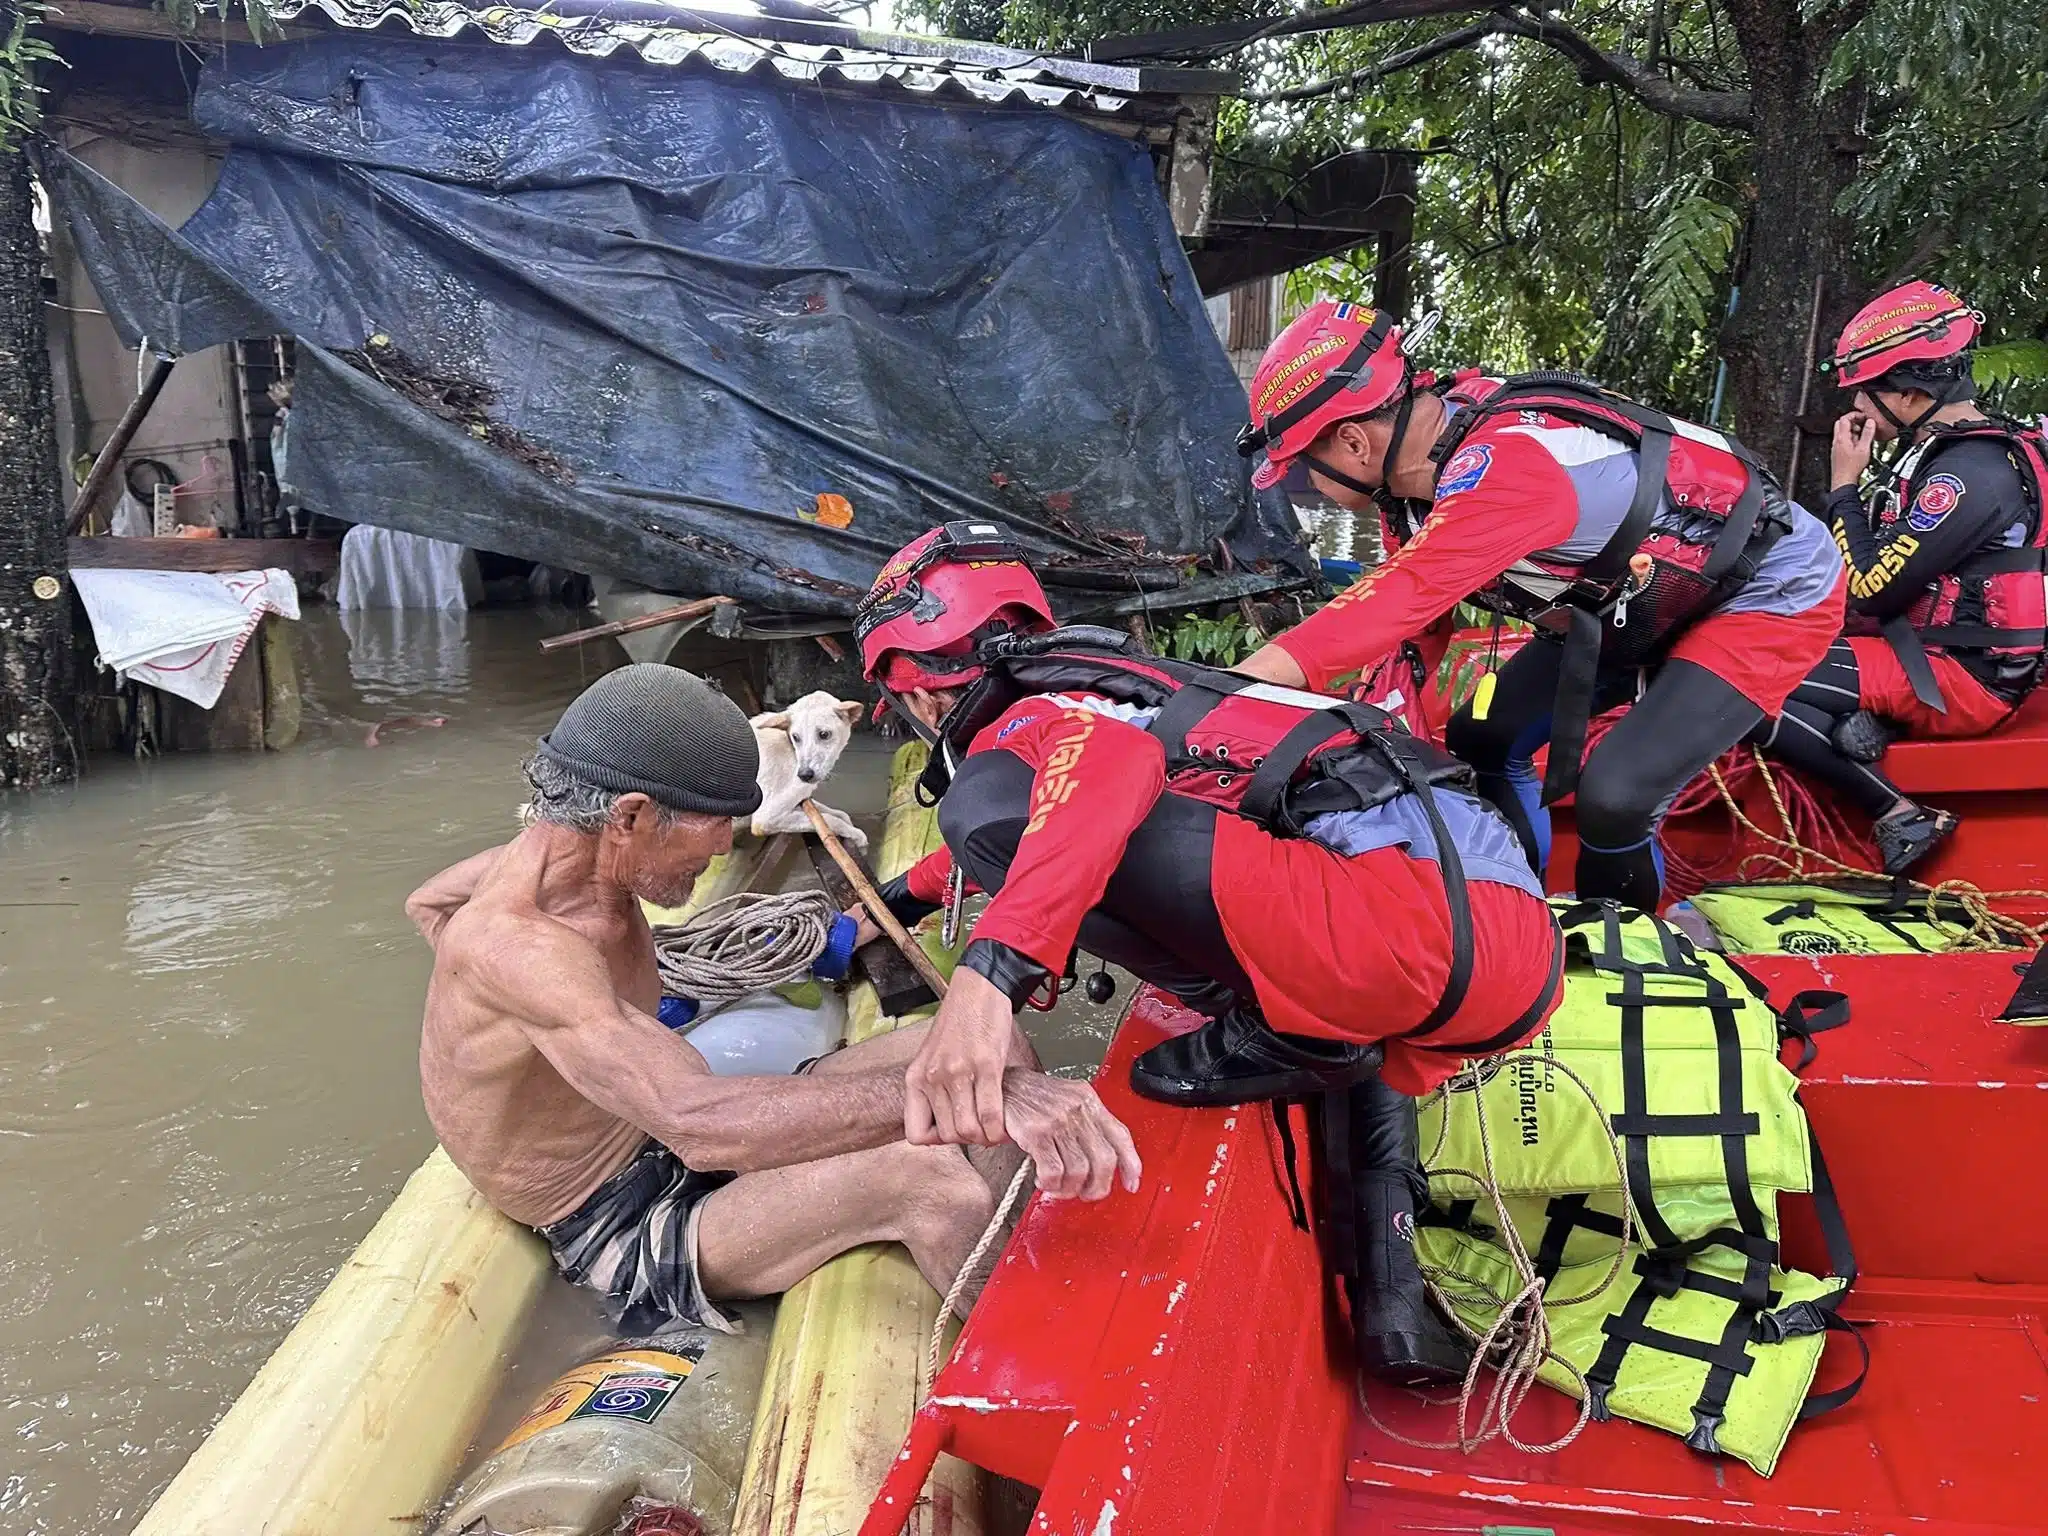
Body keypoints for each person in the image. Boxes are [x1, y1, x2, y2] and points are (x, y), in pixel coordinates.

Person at [853, 522, 1567, 1386]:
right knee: (1345, 1035)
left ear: (924, 697)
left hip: (1401, 932)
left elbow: (1079, 784)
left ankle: (1281, 1026)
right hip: (1509, 950)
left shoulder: (1039, 720)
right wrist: (899, 902)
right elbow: (1076, 788)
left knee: (982, 816)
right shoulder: (1119, 689)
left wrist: (987, 978)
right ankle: (1393, 1301)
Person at [407, 662, 1138, 1337]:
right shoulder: (520, 945)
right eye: (713, 822)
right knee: (931, 1182)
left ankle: (1024, 1254)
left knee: (994, 1047)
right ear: (628, 816)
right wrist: (986, 1102)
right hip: (623, 1214)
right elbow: (699, 1123)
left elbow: (426, 903)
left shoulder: (546, 856)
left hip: (659, 1128)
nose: (727, 846)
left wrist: (537, 1049)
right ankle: (1050, 1371)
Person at [1228, 299, 1847, 912]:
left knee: (1616, 795)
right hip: (1628, 600)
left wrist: (1225, 693)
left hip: (1764, 589)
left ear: (1355, 443)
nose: (1306, 489)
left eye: (1303, 470)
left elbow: (1395, 598)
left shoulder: (1506, 470)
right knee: (1482, 736)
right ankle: (1519, 905)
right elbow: (1411, 633)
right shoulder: (1415, 483)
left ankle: (1625, 947)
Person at [1752, 281, 2047, 874]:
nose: (1856, 407)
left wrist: (1843, 486)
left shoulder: (1967, 475)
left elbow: (1870, 585)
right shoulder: (1966, 450)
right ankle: (1863, 722)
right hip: (1927, 653)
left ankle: (1898, 813)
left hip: (1961, 681)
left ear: (1910, 395)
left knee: (1737, 678)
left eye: (1866, 393)